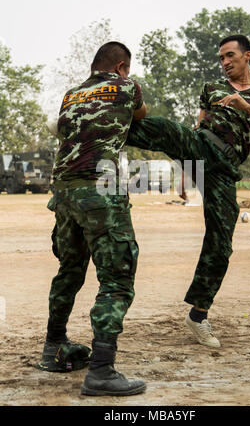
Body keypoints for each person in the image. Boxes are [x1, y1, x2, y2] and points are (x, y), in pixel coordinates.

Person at [126, 34, 250, 348]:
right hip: (200, 147)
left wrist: (247, 106)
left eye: (230, 56)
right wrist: (187, 173)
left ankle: (198, 315)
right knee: (166, 129)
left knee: (221, 245)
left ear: (247, 56)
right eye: (221, 58)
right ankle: (88, 124)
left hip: (225, 170)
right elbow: (198, 126)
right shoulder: (211, 88)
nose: (224, 63)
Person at [38, 41, 147, 397]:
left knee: (70, 269)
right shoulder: (127, 87)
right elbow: (141, 116)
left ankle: (53, 348)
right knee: (117, 279)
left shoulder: (71, 94)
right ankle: (101, 369)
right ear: (121, 67)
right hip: (100, 189)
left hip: (64, 192)